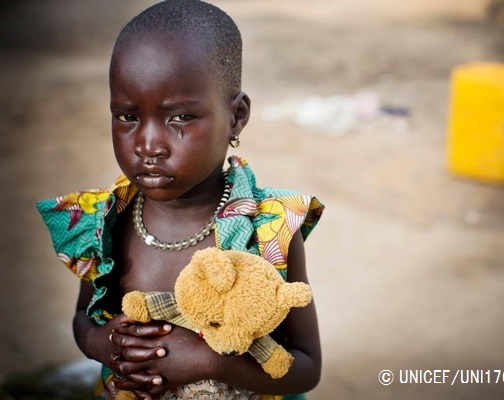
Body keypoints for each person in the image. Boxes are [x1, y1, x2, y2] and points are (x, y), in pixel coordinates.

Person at [36, 1, 324, 399]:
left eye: (180, 118)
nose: (148, 145)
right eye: (126, 116)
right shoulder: (105, 221)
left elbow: (306, 368)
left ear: (236, 117)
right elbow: (82, 318)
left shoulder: (270, 230)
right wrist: (102, 344)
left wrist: (211, 361)